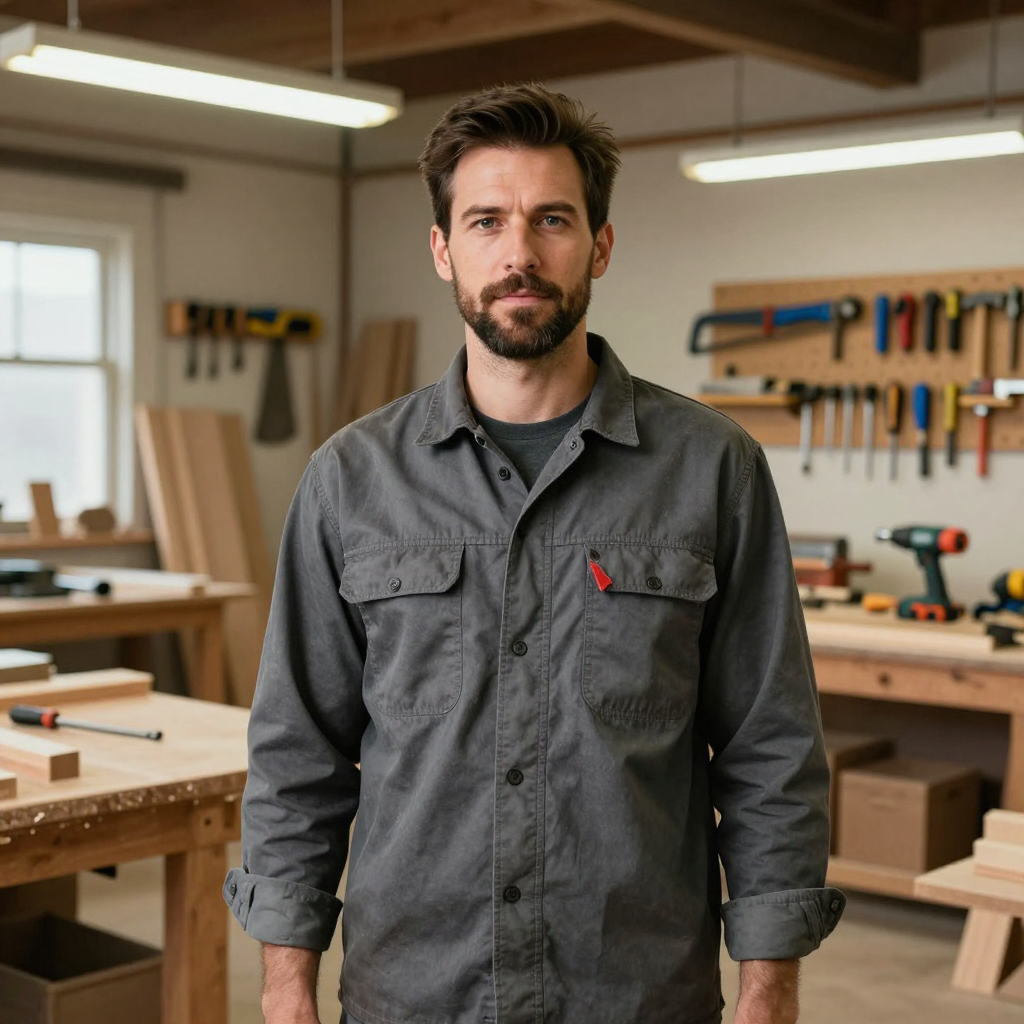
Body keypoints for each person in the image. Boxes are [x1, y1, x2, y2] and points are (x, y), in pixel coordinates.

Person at [225, 82, 844, 1024]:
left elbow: (771, 749)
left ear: (599, 242)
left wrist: (769, 991)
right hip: (413, 993)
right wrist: (285, 989)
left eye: (551, 219)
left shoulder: (715, 471)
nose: (519, 254)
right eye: (485, 222)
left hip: (634, 994)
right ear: (443, 250)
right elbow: (296, 754)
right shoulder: (349, 481)